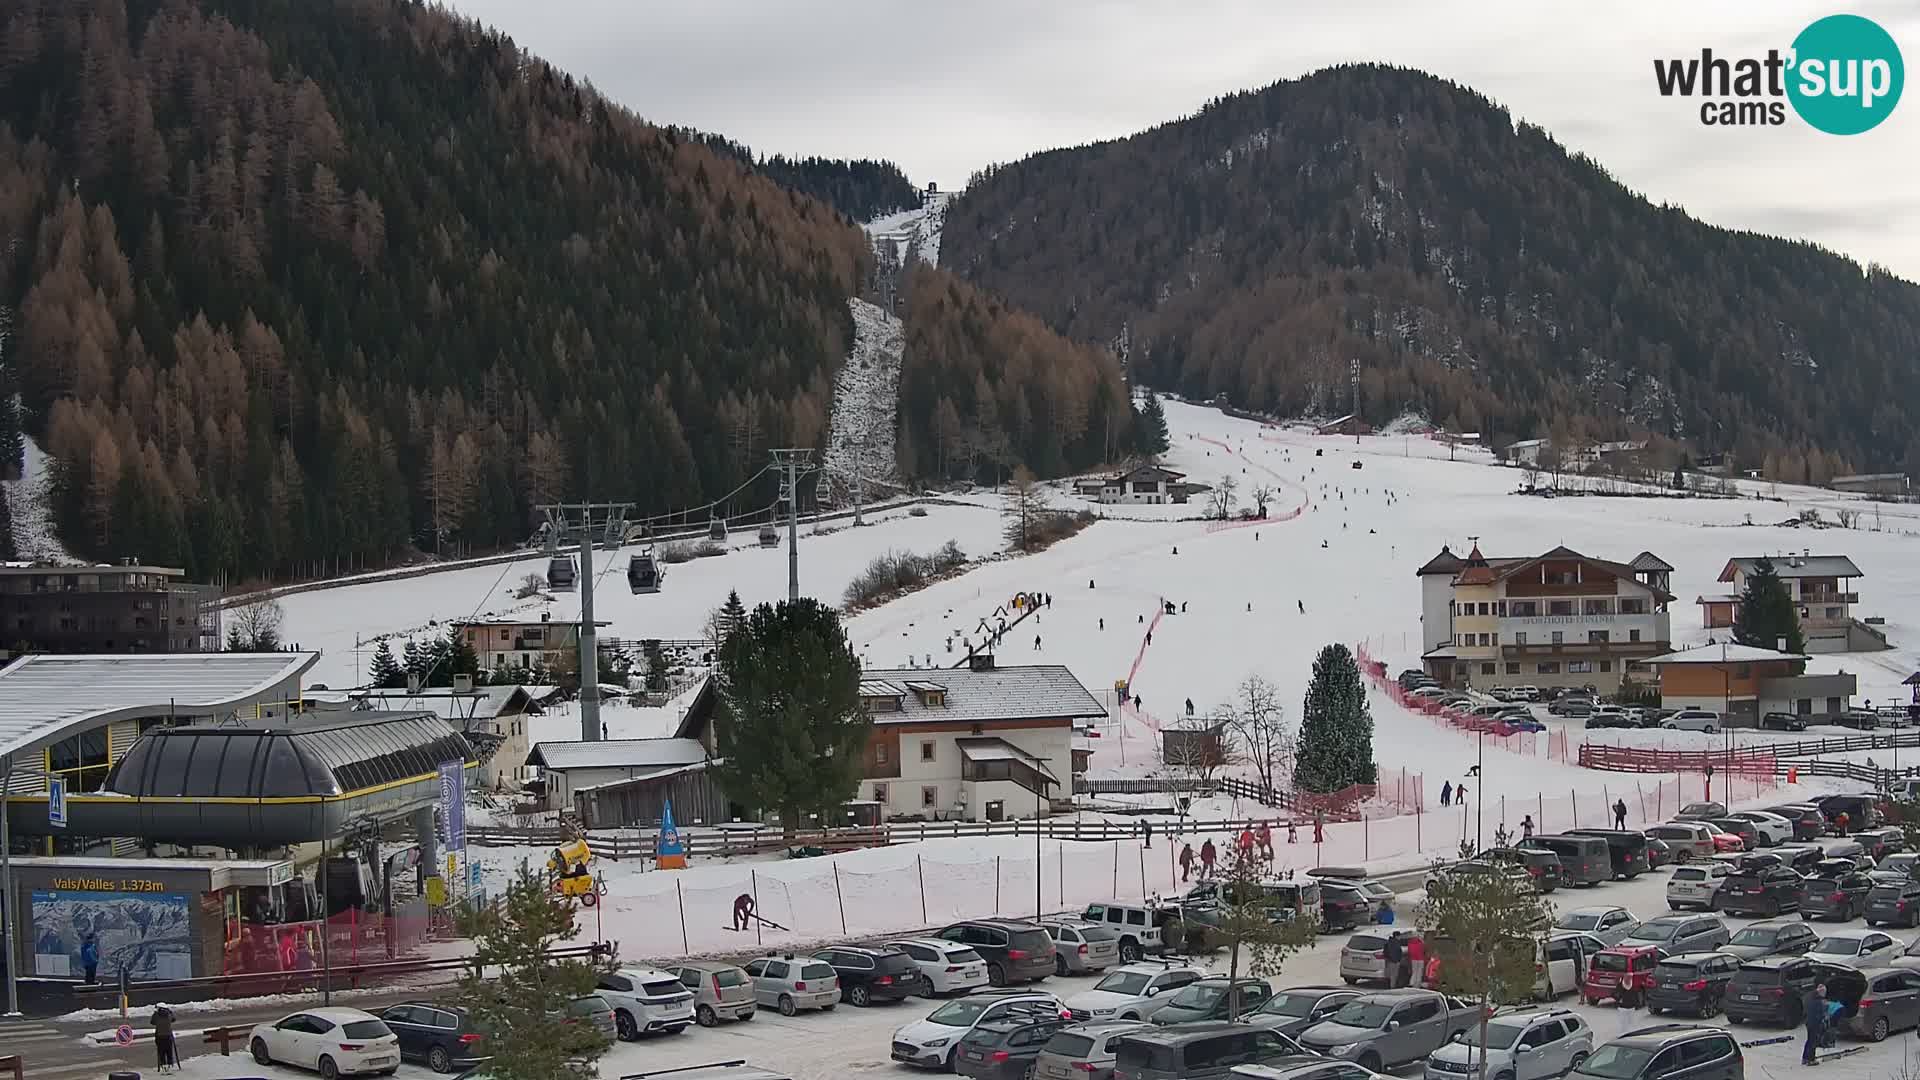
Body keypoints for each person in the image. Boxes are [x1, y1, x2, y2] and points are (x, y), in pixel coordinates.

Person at [1802, 982, 1828, 1065]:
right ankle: (1811, 1059)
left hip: (1808, 1022)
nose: (1824, 995)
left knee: (1809, 1040)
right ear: (1821, 992)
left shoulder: (1810, 997)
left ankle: (1805, 1058)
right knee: (1813, 1041)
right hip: (1814, 1023)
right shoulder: (1817, 1001)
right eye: (1824, 993)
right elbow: (1819, 1014)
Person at [153, 1004, 177, 1073]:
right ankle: (170, 1066)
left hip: (159, 1037)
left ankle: (163, 1067)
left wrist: (155, 1013)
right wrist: (170, 1012)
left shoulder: (157, 1016)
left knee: (161, 1052)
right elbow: (174, 1019)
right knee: (169, 1052)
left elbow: (152, 1022)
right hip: (168, 1036)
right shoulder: (169, 1015)